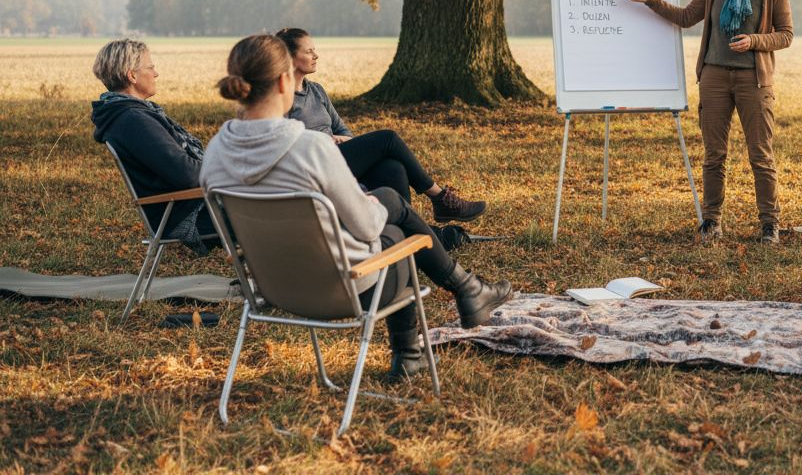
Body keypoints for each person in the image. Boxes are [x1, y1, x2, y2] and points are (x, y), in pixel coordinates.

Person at [199, 34, 512, 379]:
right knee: (393, 227)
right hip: (343, 288)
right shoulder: (311, 148)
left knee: (390, 199)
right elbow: (366, 228)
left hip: (271, 287)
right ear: (285, 80)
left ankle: (464, 294)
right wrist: (371, 203)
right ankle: (427, 331)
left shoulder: (214, 153)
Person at [621, 0, 793, 243]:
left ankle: (770, 223)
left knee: (761, 154)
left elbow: (786, 35)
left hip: (754, 82)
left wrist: (755, 41)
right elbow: (687, 17)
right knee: (715, 154)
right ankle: (712, 219)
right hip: (714, 77)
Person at [274, 28, 484, 225]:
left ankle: (406, 227)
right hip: (319, 167)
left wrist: (343, 139)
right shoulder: (282, 98)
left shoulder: (316, 90)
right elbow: (288, 144)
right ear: (290, 58)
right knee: (388, 138)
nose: (315, 55)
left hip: (339, 157)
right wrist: (324, 142)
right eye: (309, 51)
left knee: (393, 168)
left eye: (315, 50)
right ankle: (440, 197)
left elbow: (342, 129)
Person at [90, 39, 218, 255]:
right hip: (187, 214)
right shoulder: (133, 120)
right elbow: (185, 173)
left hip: (194, 205)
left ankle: (261, 283)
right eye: (150, 67)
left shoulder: (134, 114)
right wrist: (228, 170)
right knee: (276, 215)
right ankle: (270, 285)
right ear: (132, 75)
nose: (156, 73)